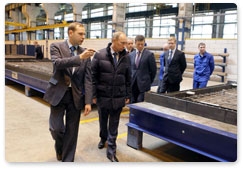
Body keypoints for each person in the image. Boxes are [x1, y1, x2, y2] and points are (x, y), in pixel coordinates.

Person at [43, 22, 95, 162]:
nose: (83, 37)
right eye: (80, 34)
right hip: (58, 93)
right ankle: (60, 148)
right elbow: (58, 63)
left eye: (84, 34)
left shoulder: (84, 53)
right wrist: (79, 58)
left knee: (72, 131)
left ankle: (68, 160)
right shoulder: (56, 46)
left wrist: (88, 101)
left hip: (75, 96)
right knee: (56, 128)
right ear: (70, 33)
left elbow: (88, 79)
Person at [91, 31, 131, 162]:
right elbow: (93, 77)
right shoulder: (100, 55)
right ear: (114, 41)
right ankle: (103, 138)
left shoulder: (126, 57)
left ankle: (111, 150)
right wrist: (94, 94)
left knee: (114, 123)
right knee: (103, 121)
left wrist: (127, 94)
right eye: (122, 43)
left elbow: (128, 77)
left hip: (118, 96)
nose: (125, 46)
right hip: (103, 95)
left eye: (126, 43)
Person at [130, 35, 157, 103]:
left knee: (140, 102)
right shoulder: (131, 55)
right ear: (135, 43)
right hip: (133, 84)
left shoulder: (149, 55)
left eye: (142, 44)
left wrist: (148, 81)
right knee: (132, 102)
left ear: (144, 43)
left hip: (144, 85)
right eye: (138, 44)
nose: (140, 46)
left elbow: (153, 70)